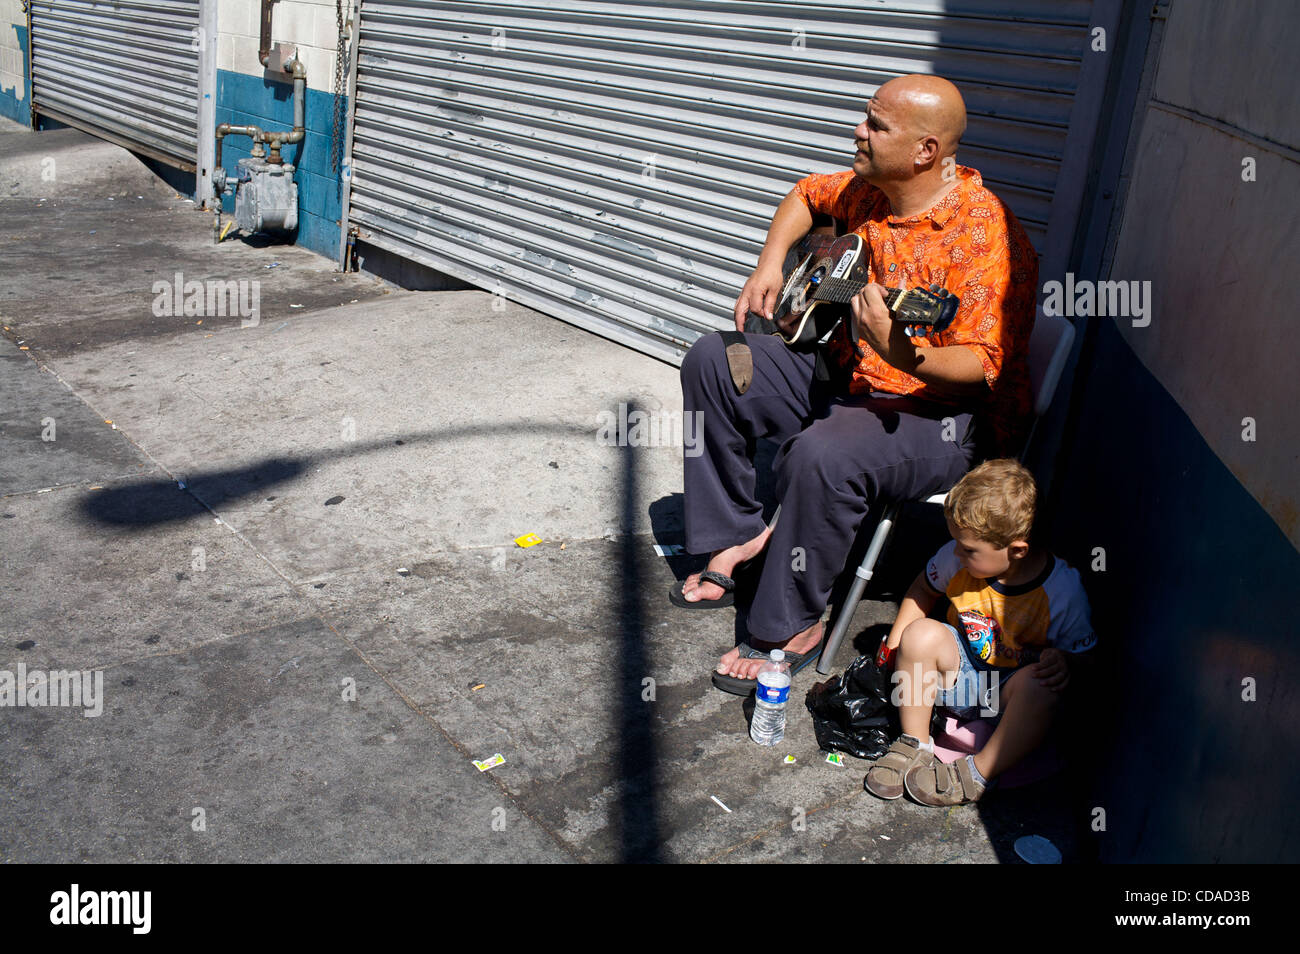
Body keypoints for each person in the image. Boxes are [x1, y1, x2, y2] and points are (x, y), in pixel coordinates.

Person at [671, 74, 1039, 693]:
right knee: (715, 360)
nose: (857, 132)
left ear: (926, 151)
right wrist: (768, 267)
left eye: (876, 125)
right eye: (864, 118)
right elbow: (805, 196)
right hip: (848, 377)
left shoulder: (987, 238)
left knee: (825, 453)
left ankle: (788, 625)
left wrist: (905, 352)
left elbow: (981, 366)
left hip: (940, 415)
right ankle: (735, 538)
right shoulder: (872, 189)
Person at [863, 459, 1095, 805]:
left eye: (968, 549)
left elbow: (1084, 659)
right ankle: (914, 742)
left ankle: (977, 773)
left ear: (1017, 550)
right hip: (959, 677)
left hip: (1006, 697)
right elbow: (922, 590)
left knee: (1041, 685)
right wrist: (897, 644)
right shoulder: (956, 559)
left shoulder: (1063, 593)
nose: (956, 552)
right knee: (919, 634)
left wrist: (1063, 663)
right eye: (956, 542)